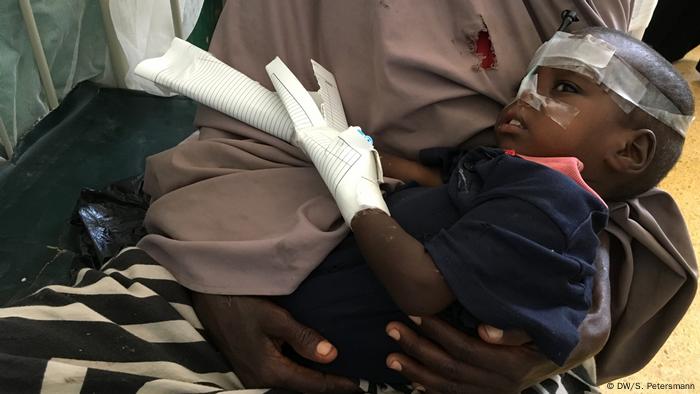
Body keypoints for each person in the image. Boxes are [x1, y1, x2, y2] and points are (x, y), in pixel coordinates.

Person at [140, 1, 696, 392]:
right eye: (529, 81)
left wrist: (578, 322)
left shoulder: (544, 198)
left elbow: (599, 184)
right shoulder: (496, 166)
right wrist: (349, 150)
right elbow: (438, 173)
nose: (521, 98)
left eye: (560, 89)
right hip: (264, 219)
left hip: (439, 352)